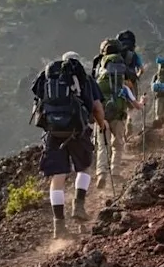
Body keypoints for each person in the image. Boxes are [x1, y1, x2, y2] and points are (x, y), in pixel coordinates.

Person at [31, 51, 108, 239]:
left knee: (57, 177)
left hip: (53, 133)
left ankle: (59, 226)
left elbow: (38, 105)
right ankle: (78, 205)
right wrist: (102, 124)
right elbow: (97, 107)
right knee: (83, 168)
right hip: (77, 131)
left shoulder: (47, 78)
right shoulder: (85, 79)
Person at [94, 40, 145, 189]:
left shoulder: (98, 83)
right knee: (118, 144)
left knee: (103, 145)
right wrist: (143, 101)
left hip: (102, 117)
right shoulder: (123, 87)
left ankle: (101, 173)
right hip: (119, 115)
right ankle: (115, 172)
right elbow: (137, 106)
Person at [115, 30, 146, 139]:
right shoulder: (134, 55)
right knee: (131, 106)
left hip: (118, 83)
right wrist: (136, 76)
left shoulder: (116, 55)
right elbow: (142, 69)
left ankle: (120, 127)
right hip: (131, 84)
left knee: (119, 105)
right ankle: (129, 121)